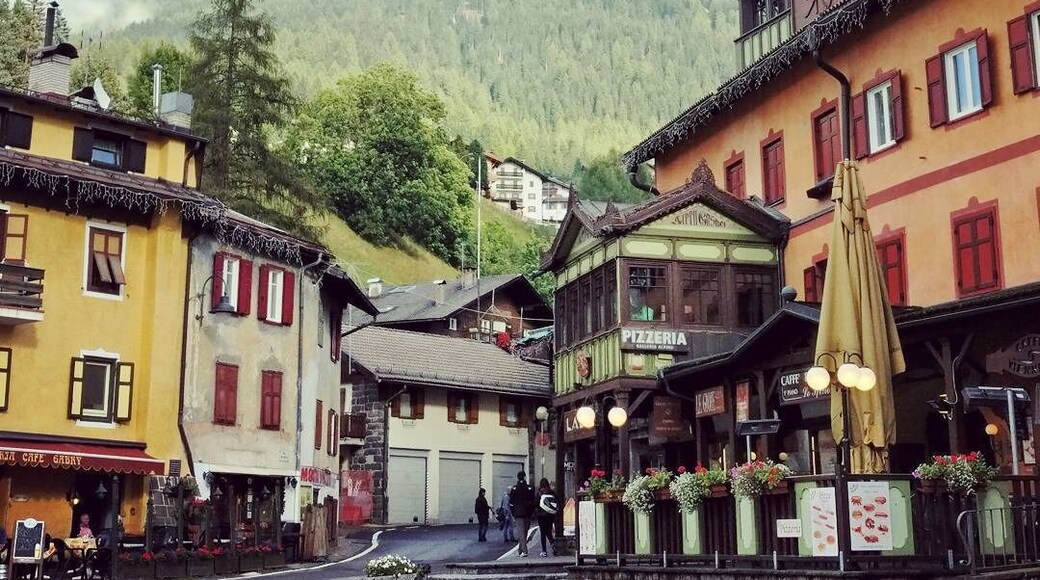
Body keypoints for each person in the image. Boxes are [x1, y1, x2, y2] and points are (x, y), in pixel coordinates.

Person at [508, 471, 536, 558]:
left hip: (518, 514)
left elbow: (511, 503)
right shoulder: (529, 488)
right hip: (527, 513)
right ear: (524, 477)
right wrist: (531, 512)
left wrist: (513, 513)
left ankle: (522, 550)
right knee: (525, 532)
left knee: (521, 532)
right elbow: (533, 501)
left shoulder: (514, 489)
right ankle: (523, 550)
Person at [535, 478, 559, 557]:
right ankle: (553, 543)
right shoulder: (551, 492)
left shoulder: (539, 493)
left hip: (541, 515)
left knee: (543, 533)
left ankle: (544, 551)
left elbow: (535, 504)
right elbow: (557, 501)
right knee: (548, 531)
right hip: (550, 515)